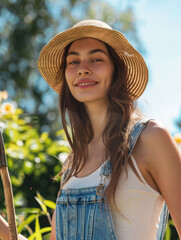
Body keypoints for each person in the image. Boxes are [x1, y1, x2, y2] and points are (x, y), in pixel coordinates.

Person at [0, 19, 181, 240]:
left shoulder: (151, 139)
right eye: (73, 62)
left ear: (117, 69)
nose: (83, 69)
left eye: (96, 59)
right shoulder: (72, 164)